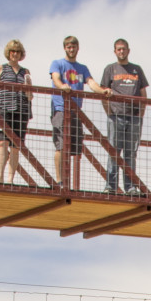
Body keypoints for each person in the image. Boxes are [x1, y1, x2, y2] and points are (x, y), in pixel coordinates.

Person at [48, 35, 104, 188]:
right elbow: (55, 78)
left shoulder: (82, 68)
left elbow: (91, 82)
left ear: (78, 48)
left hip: (76, 111)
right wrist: (62, 86)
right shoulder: (57, 63)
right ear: (65, 48)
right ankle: (60, 181)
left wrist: (102, 91)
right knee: (61, 145)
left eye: (73, 47)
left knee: (76, 148)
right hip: (60, 109)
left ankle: (73, 183)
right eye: (68, 47)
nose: (71, 49)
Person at [100, 38, 148, 195]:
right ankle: (111, 186)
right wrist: (109, 112)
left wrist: (140, 115)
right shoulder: (110, 69)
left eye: (124, 49)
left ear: (128, 50)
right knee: (114, 152)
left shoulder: (136, 69)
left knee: (130, 153)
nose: (121, 51)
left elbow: (143, 94)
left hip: (133, 117)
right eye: (119, 49)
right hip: (116, 116)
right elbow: (103, 92)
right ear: (115, 51)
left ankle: (130, 187)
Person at [0, 39, 32, 184]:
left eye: (18, 52)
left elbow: (30, 96)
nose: (15, 54)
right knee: (2, 142)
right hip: (4, 108)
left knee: (16, 146)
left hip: (21, 110)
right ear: (8, 53)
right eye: (12, 51)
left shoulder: (25, 72)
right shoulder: (0, 69)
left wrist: (28, 87)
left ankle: (10, 179)